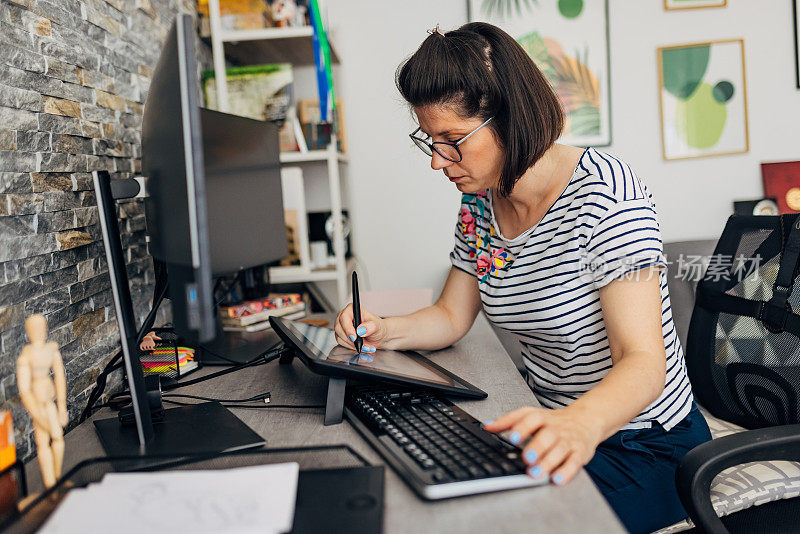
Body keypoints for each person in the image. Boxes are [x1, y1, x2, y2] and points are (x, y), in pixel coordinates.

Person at [334, 22, 712, 533]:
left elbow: (644, 363)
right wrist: (383, 329)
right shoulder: (480, 202)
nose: (436, 162)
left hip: (643, 442)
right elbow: (451, 316)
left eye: (451, 141)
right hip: (548, 422)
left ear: (508, 116)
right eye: (429, 141)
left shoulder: (608, 195)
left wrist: (579, 424)